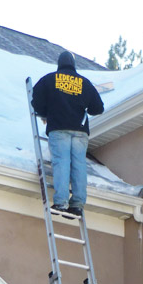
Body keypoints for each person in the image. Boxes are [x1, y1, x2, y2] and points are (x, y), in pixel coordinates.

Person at [31, 50, 104, 217]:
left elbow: (36, 100)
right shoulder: (84, 83)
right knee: (78, 166)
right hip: (80, 132)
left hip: (59, 129)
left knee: (62, 163)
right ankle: (77, 204)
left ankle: (61, 203)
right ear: (73, 65)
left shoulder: (50, 79)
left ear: (59, 64)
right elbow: (98, 108)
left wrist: (45, 113)